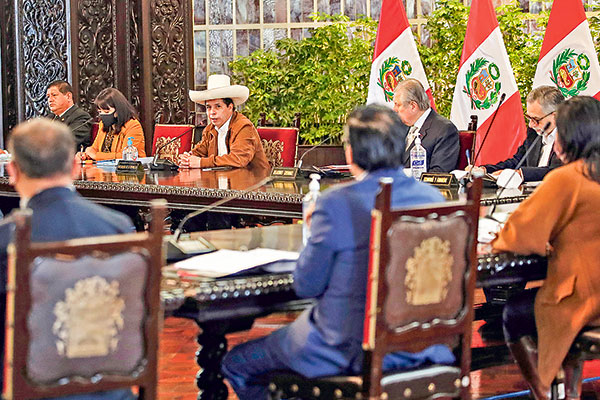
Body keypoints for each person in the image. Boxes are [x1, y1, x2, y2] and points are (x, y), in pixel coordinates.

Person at [221, 105, 455, 400]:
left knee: (237, 364)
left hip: (346, 348)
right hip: (424, 345)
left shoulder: (336, 204)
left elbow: (307, 285)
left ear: (350, 152)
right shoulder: (433, 198)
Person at [0, 118, 136, 400]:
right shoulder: (119, 226)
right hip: (113, 391)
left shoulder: (7, 239)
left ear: (12, 171)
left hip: (35, 390)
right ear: (75, 167)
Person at [492, 96, 600, 400]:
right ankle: (571, 389)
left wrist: (496, 238)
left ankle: (542, 391)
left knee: (513, 312)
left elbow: (520, 236)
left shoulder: (567, 178)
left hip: (584, 300)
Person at [468, 86, 564, 182]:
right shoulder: (533, 134)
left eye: (536, 119)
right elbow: (517, 161)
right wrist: (485, 170)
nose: (531, 125)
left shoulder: (572, 136)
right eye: (529, 118)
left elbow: (560, 171)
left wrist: (521, 174)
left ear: (555, 116)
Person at [179, 74, 270, 171]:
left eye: (218, 106)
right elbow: (199, 151)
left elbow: (238, 159)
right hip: (220, 181)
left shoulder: (244, 126)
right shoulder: (209, 129)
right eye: (208, 107)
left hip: (252, 182)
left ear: (230, 107)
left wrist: (201, 162)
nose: (212, 112)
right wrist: (188, 158)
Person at [392, 78, 459, 172]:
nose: (394, 109)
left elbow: (439, 173)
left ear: (413, 106)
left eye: (397, 105)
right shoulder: (402, 127)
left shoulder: (444, 130)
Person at [77, 88, 146, 161]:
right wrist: (85, 154)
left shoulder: (133, 125)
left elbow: (126, 155)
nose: (102, 115)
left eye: (106, 112)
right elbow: (95, 149)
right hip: (103, 169)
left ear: (118, 110)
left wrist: (96, 156)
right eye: (100, 112)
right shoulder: (103, 125)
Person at [47, 80, 93, 150]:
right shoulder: (50, 118)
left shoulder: (81, 117)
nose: (50, 100)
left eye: (54, 95)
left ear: (68, 96)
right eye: (48, 96)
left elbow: (67, 141)